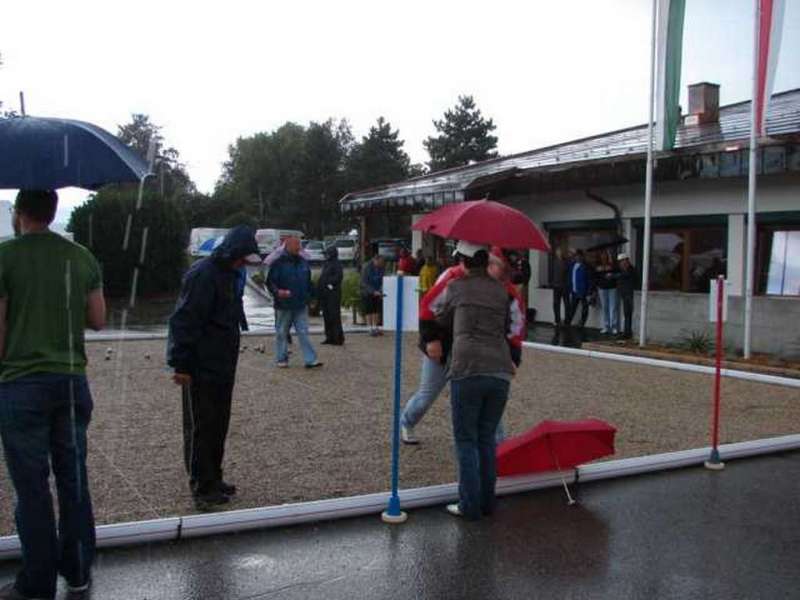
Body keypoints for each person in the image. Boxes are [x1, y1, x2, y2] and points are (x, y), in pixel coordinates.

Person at [0, 190, 105, 600]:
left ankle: (37, 582)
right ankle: (78, 570)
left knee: (32, 487)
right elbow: (98, 319)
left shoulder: (5, 256)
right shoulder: (81, 257)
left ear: (21, 213)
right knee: (73, 479)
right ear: (53, 211)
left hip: (22, 383)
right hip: (71, 382)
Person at [168, 226, 261, 512]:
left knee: (219, 422)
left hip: (222, 362)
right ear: (232, 253)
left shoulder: (228, 274)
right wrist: (180, 363)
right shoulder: (203, 275)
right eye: (242, 258)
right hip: (200, 363)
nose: (244, 264)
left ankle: (214, 477)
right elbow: (184, 320)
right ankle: (201, 485)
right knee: (201, 425)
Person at [400, 246, 524, 445]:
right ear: (490, 263)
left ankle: (498, 447)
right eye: (504, 270)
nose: (506, 276)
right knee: (427, 395)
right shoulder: (453, 277)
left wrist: (514, 355)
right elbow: (427, 307)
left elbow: (516, 326)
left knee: (487, 398)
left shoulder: (506, 290)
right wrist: (431, 339)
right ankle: (406, 421)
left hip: (478, 355)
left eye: (509, 272)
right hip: (444, 346)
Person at [435, 241, 518, 520]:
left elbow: (440, 316)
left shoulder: (457, 287)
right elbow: (508, 325)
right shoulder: (501, 290)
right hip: (499, 370)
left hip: (468, 367)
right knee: (486, 439)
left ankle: (469, 506)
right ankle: (487, 502)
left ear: (465, 261)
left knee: (466, 439)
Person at [266, 237, 322, 368]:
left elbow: (308, 282)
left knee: (303, 332)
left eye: (299, 245)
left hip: (301, 304)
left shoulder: (303, 262)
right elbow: (270, 282)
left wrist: (313, 297)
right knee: (281, 332)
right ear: (287, 246)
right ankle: (281, 358)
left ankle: (310, 359)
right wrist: (278, 292)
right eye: (296, 245)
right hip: (284, 304)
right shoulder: (277, 263)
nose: (299, 247)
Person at [318, 245, 344, 346]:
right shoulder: (326, 263)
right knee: (326, 315)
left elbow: (338, 277)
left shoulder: (337, 264)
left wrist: (327, 282)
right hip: (325, 293)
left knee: (334, 316)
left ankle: (338, 337)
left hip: (333, 293)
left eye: (327, 254)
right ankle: (329, 337)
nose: (326, 256)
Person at [594, 250, 619, 335]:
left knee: (613, 307)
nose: (604, 257)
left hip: (612, 288)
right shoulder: (598, 266)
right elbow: (595, 277)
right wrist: (597, 286)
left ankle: (614, 326)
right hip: (602, 288)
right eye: (602, 255)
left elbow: (617, 273)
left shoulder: (612, 265)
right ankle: (606, 326)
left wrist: (611, 270)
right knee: (605, 308)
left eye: (605, 255)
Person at [360, 254, 385, 336]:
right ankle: (369, 328)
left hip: (377, 291)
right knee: (369, 310)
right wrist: (373, 291)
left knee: (376, 310)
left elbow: (383, 279)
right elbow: (364, 282)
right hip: (367, 292)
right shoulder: (366, 267)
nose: (381, 264)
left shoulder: (381, 267)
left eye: (382, 263)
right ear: (375, 260)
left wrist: (380, 290)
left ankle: (376, 327)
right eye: (380, 262)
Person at [566, 249, 591, 328]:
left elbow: (589, 279)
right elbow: (569, 278)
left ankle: (582, 323)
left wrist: (589, 291)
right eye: (576, 256)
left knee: (584, 308)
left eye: (579, 256)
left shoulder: (585, 266)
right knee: (572, 308)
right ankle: (568, 322)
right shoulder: (572, 265)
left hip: (583, 291)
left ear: (582, 257)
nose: (578, 257)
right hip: (574, 290)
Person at [615, 253, 637, 339]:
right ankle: (627, 331)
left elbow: (627, 276)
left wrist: (615, 276)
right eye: (620, 262)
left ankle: (627, 332)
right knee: (626, 313)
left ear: (626, 261)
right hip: (624, 294)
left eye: (622, 261)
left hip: (629, 294)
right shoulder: (622, 270)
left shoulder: (630, 270)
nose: (621, 263)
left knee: (628, 313)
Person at [551, 248, 571, 326]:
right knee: (556, 303)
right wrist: (552, 282)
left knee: (566, 303)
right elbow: (552, 273)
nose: (559, 253)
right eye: (558, 252)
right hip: (556, 286)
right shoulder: (554, 262)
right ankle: (557, 320)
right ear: (556, 253)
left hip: (564, 286)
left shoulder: (566, 262)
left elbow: (568, 273)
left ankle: (567, 320)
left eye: (560, 252)